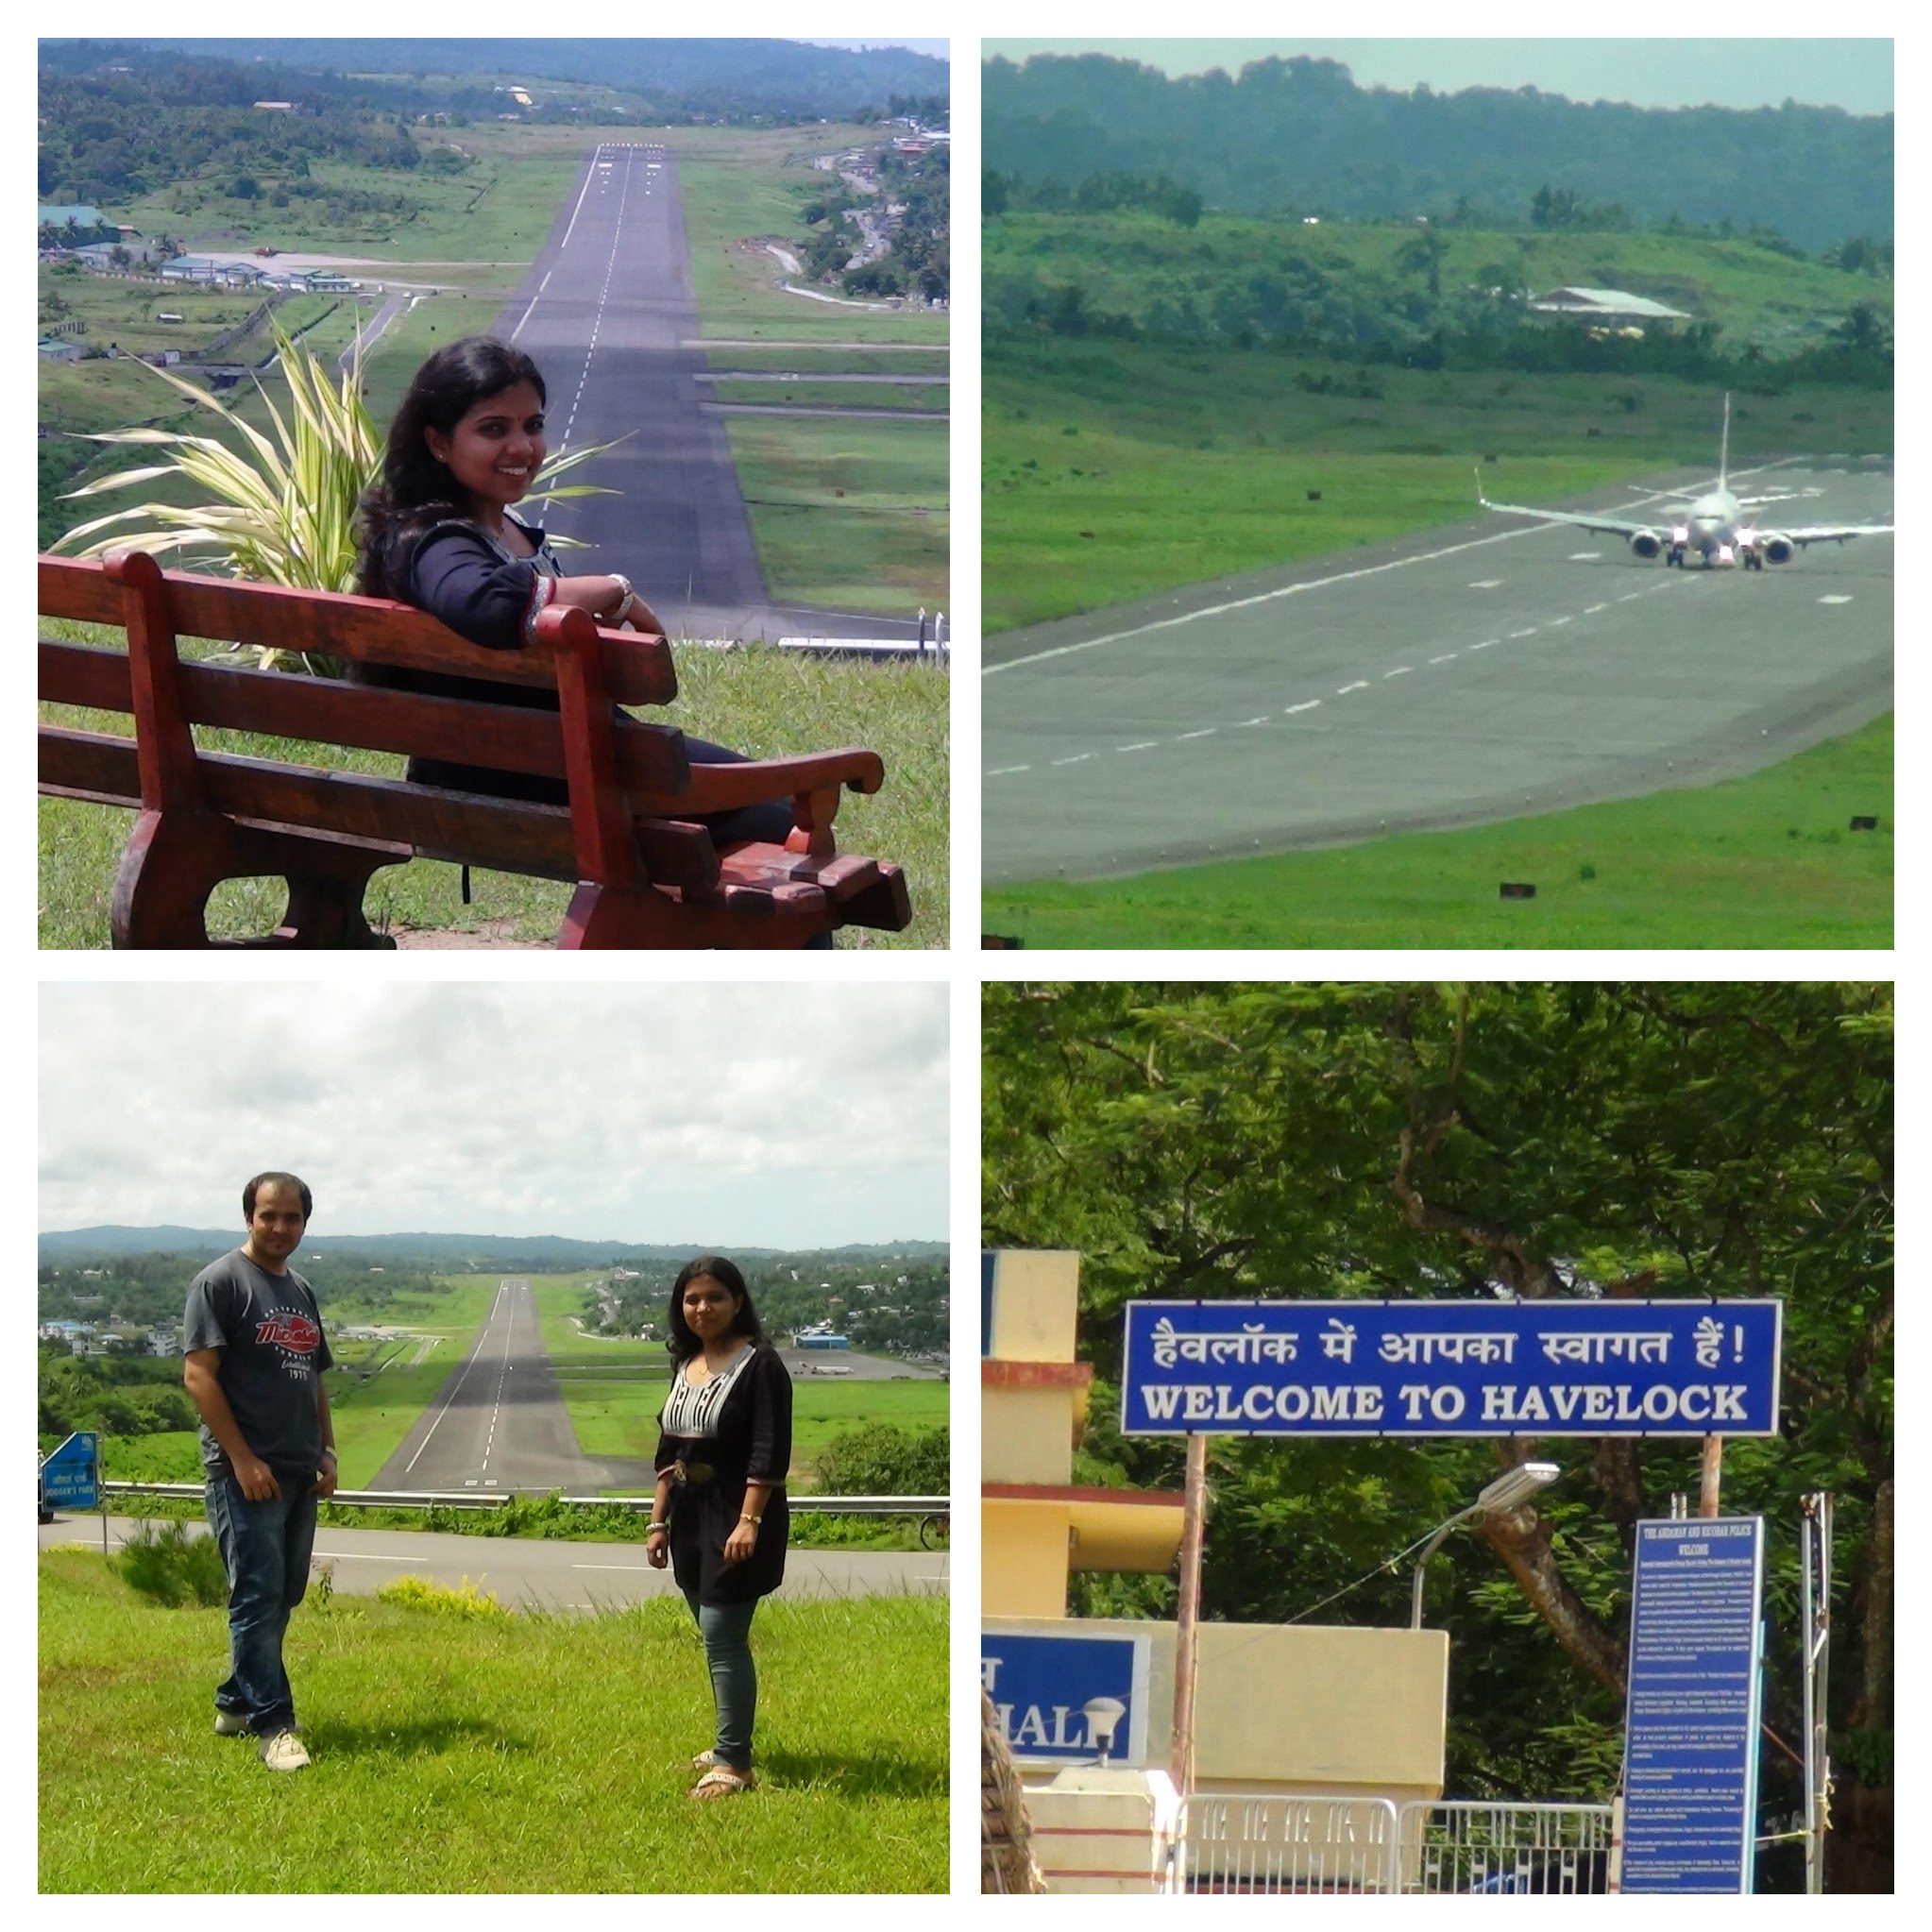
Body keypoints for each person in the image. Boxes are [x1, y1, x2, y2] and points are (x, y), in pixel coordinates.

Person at [353, 337, 817, 859]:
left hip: (543, 761)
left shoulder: (486, 531)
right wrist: (610, 591)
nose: (522, 448)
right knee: (787, 818)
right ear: (438, 443)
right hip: (541, 773)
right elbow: (485, 605)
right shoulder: (434, 542)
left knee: (763, 797)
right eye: (493, 429)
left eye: (532, 426)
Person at [181, 1172, 337, 1773]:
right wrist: (242, 1459)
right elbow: (200, 1376)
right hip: (244, 1473)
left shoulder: (299, 1288)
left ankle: (233, 1702)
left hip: (299, 1469)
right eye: (269, 1216)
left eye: (292, 1218)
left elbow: (314, 1375)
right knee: (256, 1594)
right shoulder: (219, 1282)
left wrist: (327, 1451)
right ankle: (276, 1725)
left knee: (283, 1593)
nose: (280, 1228)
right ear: (249, 1215)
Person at [647, 1256, 793, 1798]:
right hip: (691, 1516)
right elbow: (669, 1451)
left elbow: (768, 1450)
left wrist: (749, 1521)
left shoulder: (761, 1366)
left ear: (737, 1302)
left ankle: (734, 1761)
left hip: (738, 1516)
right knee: (713, 1637)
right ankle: (728, 1738)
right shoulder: (686, 1365)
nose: (702, 1308)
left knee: (722, 1635)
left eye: (714, 1297)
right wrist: (657, 1522)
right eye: (692, 1299)